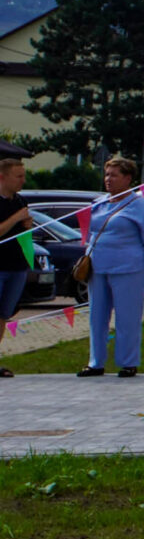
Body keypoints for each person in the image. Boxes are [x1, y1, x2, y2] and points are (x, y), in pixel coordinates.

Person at [80, 155, 144, 378]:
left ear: (127, 178)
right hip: (98, 266)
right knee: (97, 317)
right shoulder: (99, 203)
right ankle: (95, 362)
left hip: (128, 268)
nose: (108, 179)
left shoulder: (140, 205)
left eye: (114, 175)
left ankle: (128, 362)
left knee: (127, 317)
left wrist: (136, 257)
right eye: (107, 174)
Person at [0, 154, 27, 379]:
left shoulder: (20, 201)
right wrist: (17, 218)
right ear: (2, 177)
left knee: (3, 315)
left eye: (24, 176)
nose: (22, 181)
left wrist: (28, 224)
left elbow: (24, 234)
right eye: (18, 176)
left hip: (17, 266)